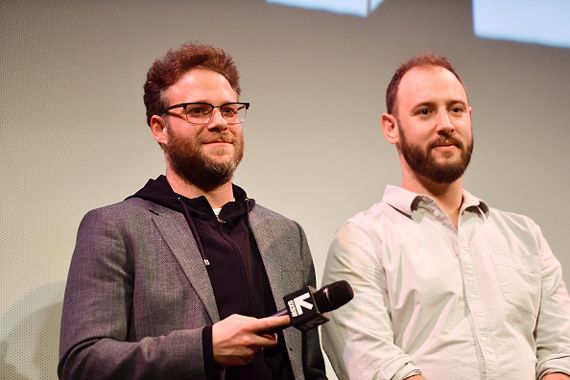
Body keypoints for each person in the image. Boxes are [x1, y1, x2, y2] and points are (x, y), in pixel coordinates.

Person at [58, 43, 327, 380]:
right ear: (159, 128)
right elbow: (82, 362)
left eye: (229, 110)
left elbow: (309, 365)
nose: (219, 122)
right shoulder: (116, 227)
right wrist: (204, 348)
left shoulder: (287, 235)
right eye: (198, 110)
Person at [321, 52, 570, 380]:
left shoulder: (526, 236)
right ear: (391, 127)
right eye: (425, 111)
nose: (446, 125)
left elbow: (559, 351)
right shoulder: (362, 240)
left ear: (470, 117)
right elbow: (373, 362)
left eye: (455, 110)